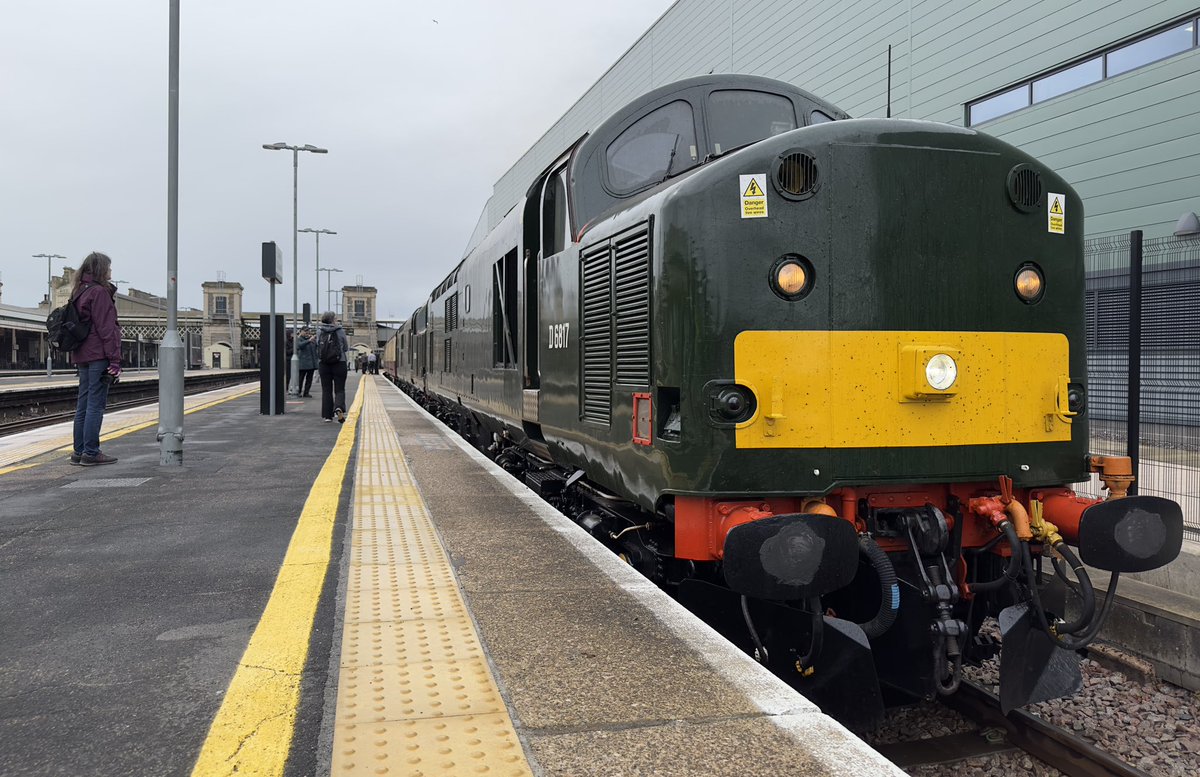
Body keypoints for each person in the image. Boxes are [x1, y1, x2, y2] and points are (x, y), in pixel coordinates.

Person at [69, 252, 122, 466]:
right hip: (98, 354)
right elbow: (106, 329)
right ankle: (91, 452)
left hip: (82, 354)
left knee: (83, 404)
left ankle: (79, 451)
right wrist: (115, 360)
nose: (111, 271)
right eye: (109, 267)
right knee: (95, 405)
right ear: (101, 269)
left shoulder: (79, 290)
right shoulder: (99, 292)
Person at [316, 311, 349, 423]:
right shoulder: (340, 331)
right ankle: (339, 407)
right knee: (339, 388)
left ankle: (327, 416)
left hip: (324, 364)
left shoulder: (319, 331)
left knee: (326, 390)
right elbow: (345, 347)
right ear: (333, 320)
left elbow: (317, 346)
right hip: (339, 362)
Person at [296, 327, 317, 397]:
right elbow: (299, 346)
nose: (307, 333)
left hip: (311, 363)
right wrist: (309, 341)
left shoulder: (311, 340)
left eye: (308, 332)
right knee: (300, 379)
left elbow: (316, 348)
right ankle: (298, 392)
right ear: (301, 331)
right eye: (305, 332)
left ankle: (306, 392)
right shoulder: (299, 339)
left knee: (309, 379)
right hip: (303, 363)